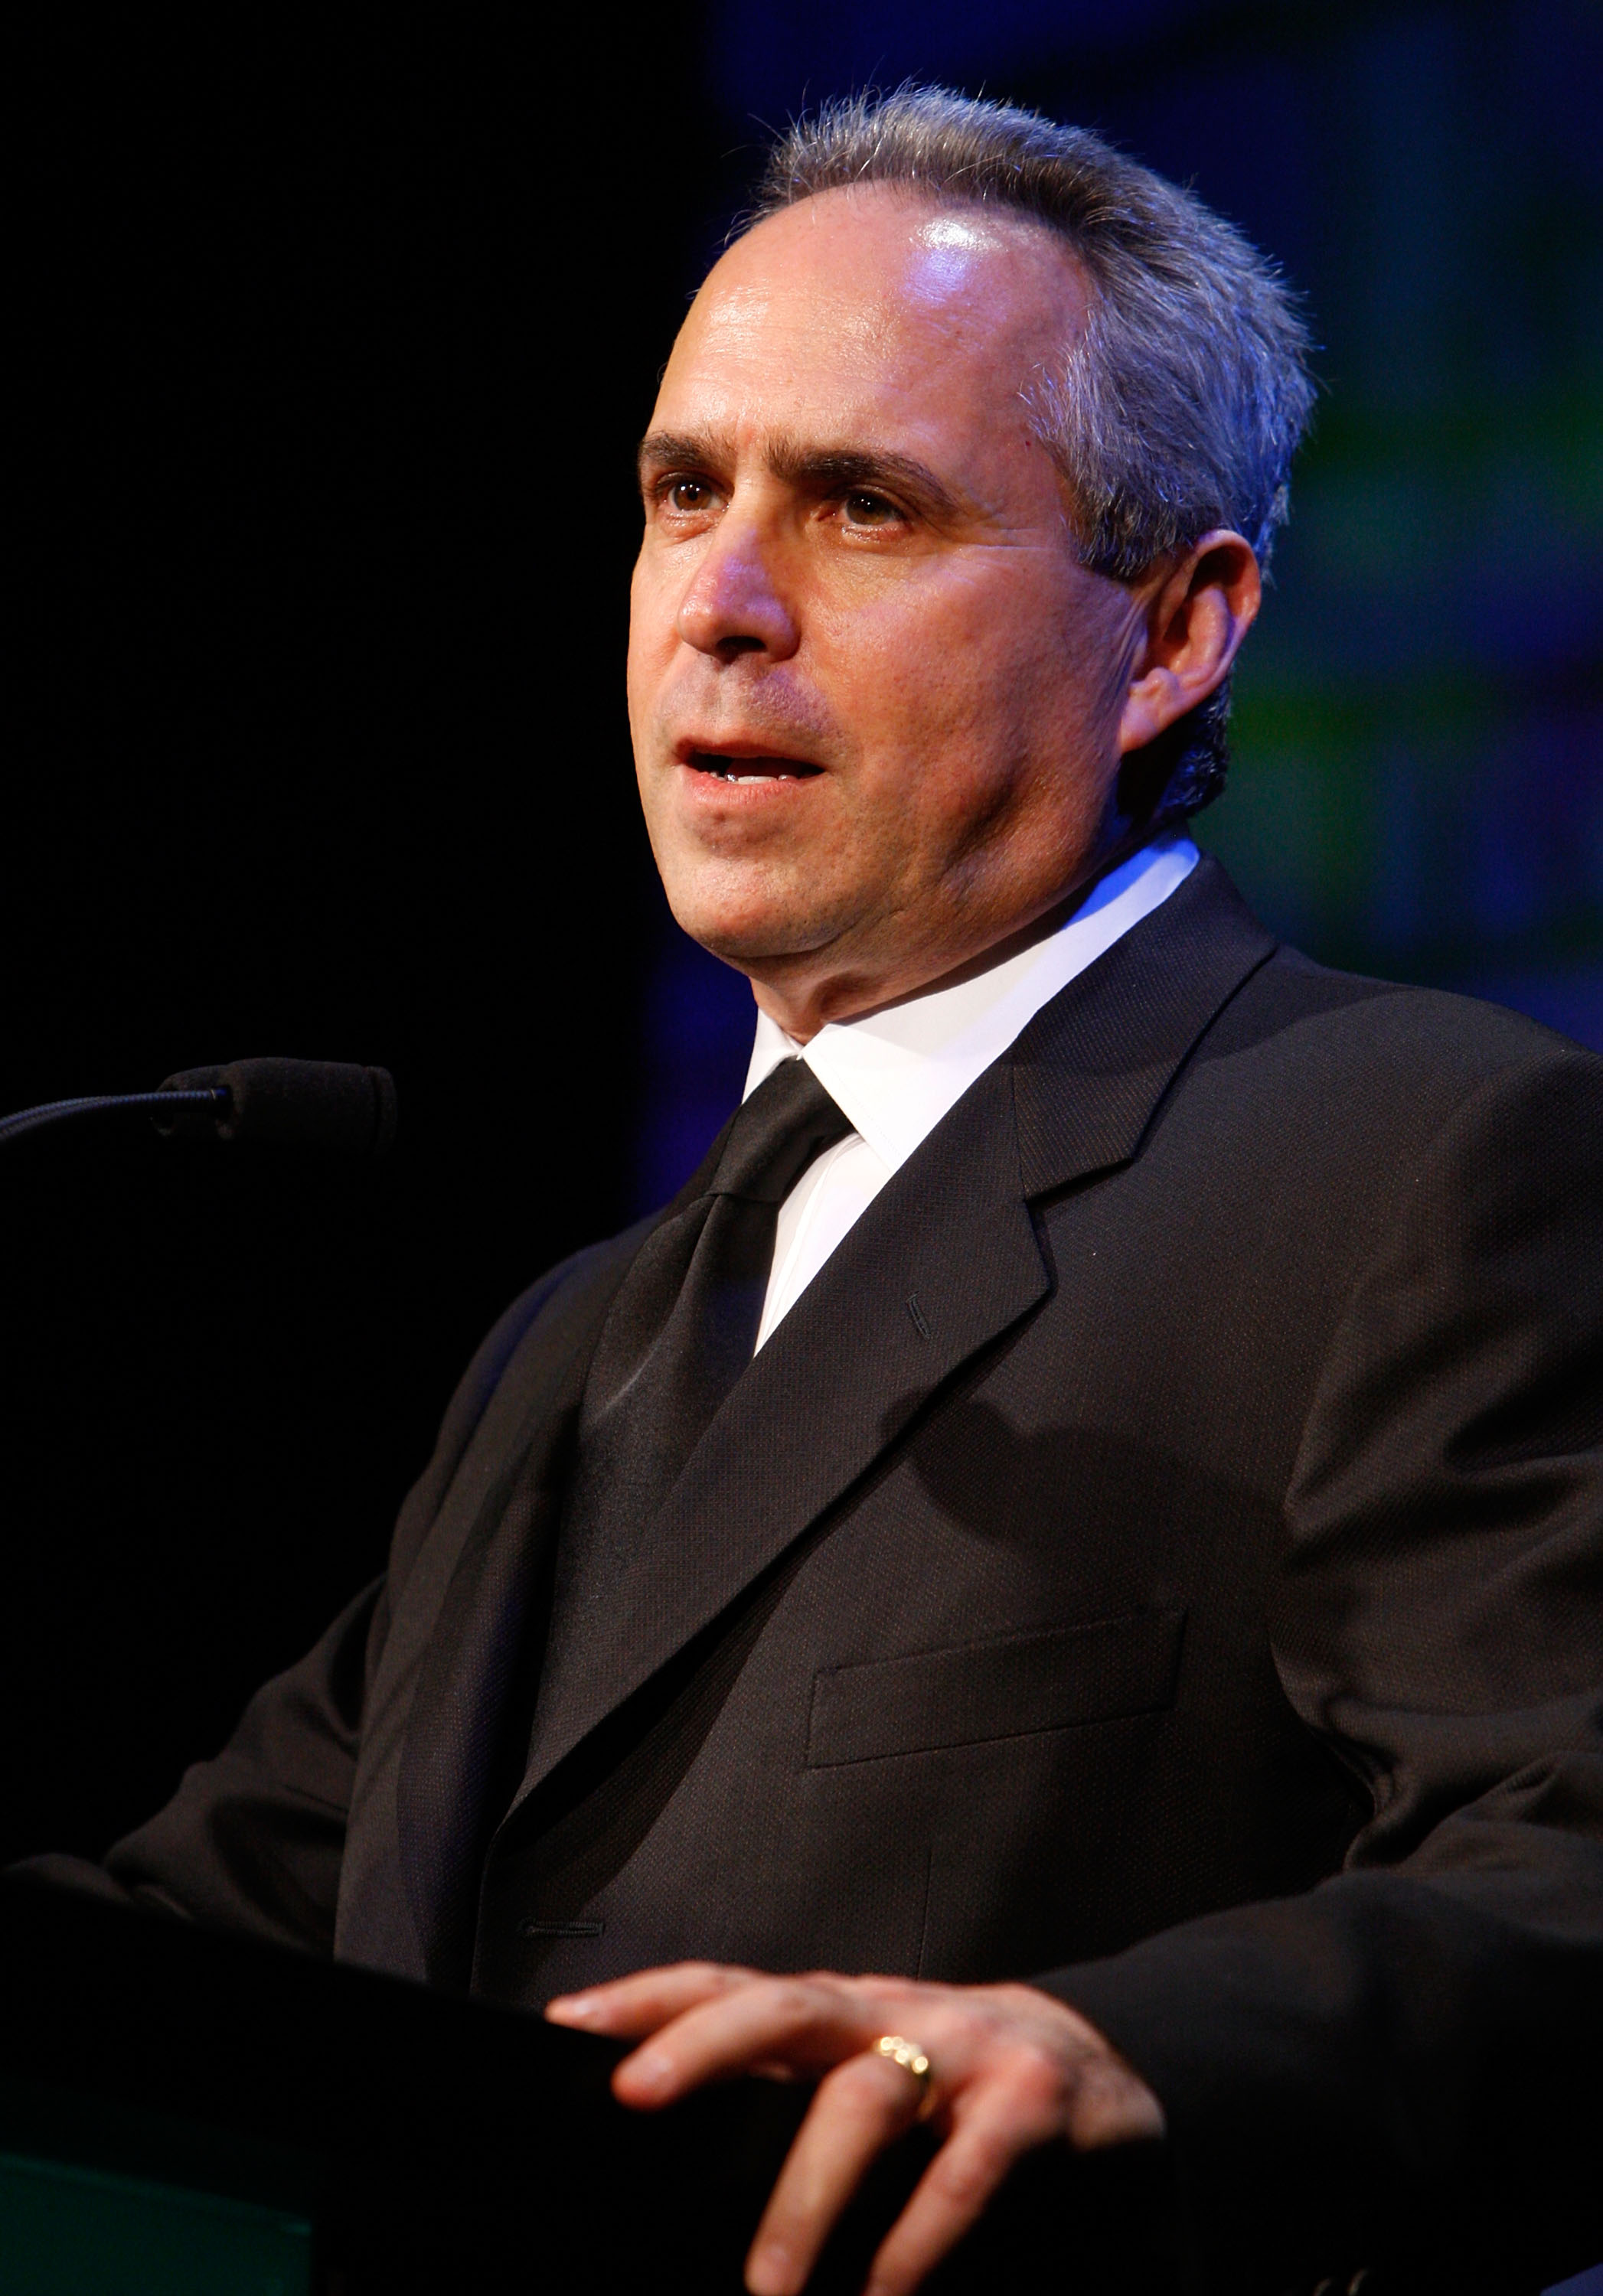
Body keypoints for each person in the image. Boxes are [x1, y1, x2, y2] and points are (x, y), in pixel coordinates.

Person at [24, 88, 1602, 2296]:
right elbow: (207, 1945)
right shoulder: (575, 1342)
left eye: (864, 505)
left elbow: (1579, 1861)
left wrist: (1104, 2052)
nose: (726, 606)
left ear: (1173, 631)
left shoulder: (1419, 1160)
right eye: (685, 495)